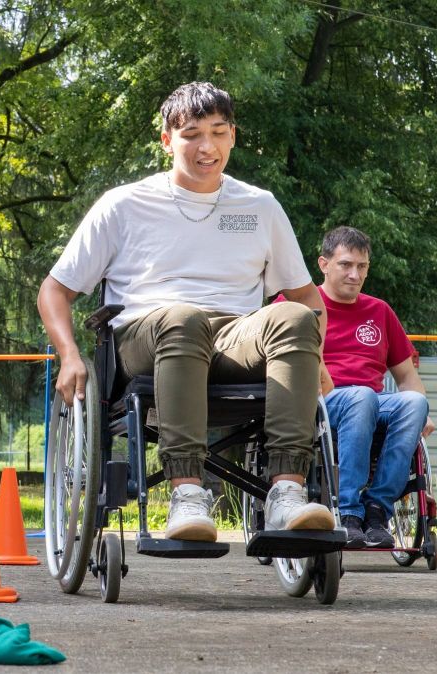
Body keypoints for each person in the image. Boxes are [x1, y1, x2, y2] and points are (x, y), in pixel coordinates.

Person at [37, 82, 335, 542]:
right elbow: (55, 290)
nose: (206, 147)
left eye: (218, 132)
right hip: (147, 335)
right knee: (183, 318)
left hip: (235, 337)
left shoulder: (259, 206)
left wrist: (316, 359)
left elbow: (308, 299)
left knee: (296, 319)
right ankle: (187, 494)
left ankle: (286, 492)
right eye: (192, 134)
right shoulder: (124, 204)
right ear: (167, 141)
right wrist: (70, 355)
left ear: (233, 136)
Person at [313, 226, 433, 548]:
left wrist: (423, 413)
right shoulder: (300, 303)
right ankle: (348, 513)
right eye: (346, 265)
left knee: (415, 404)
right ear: (324, 264)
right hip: (323, 402)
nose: (355, 275)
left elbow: (407, 377)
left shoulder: (379, 311)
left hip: (373, 402)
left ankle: (377, 509)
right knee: (361, 396)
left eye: (362, 267)